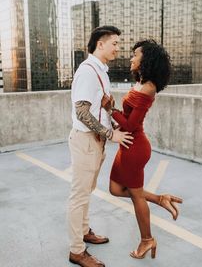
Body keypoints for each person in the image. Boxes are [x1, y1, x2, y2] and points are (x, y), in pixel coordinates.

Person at [106, 40, 183, 259]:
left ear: (145, 60)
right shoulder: (141, 83)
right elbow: (128, 120)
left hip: (135, 147)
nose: (131, 58)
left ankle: (147, 240)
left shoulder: (148, 88)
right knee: (115, 189)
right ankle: (159, 199)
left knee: (136, 196)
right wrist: (115, 116)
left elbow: (131, 125)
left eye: (135, 55)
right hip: (128, 143)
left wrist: (111, 110)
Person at [68, 26, 133, 267]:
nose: (118, 47)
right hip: (86, 141)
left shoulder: (100, 71)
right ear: (101, 44)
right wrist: (109, 133)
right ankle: (76, 250)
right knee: (79, 196)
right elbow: (82, 112)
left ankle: (84, 231)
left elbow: (98, 106)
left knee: (86, 192)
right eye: (114, 43)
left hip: (96, 143)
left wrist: (109, 111)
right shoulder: (87, 71)